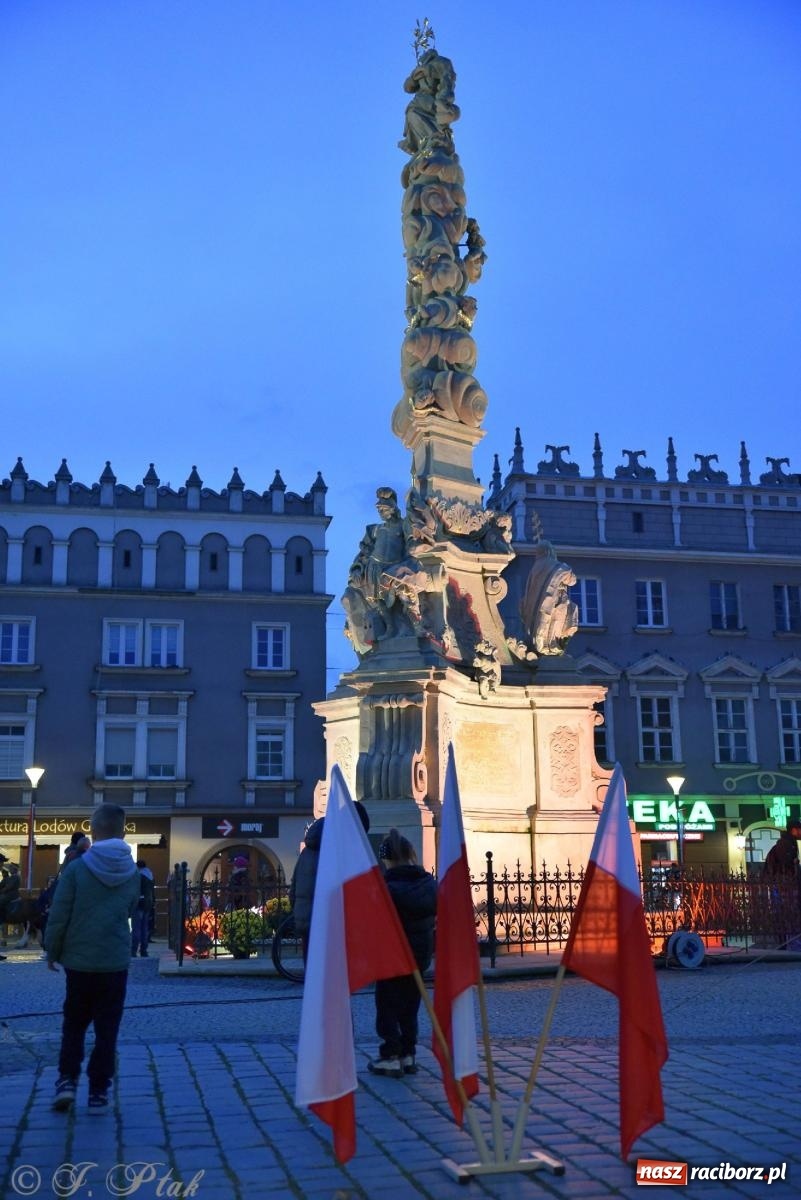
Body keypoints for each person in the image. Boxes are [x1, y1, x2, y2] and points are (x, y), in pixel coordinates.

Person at [44, 802, 140, 1113]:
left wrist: (52, 949)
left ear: (94, 830)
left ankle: (67, 1081)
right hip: (114, 960)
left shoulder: (75, 868)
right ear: (122, 830)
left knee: (74, 1023)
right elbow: (129, 910)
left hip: (79, 961)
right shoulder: (131, 872)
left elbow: (59, 914)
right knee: (107, 1028)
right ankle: (99, 1089)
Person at [368, 828, 436, 1078]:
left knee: (387, 1005)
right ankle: (408, 1053)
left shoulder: (386, 887)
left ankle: (390, 1055)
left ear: (387, 859)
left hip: (391, 956)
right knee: (410, 1006)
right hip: (419, 954)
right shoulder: (428, 884)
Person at [290, 801, 370, 963]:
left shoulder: (308, 851)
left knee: (314, 981)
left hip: (309, 925)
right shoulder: (344, 851)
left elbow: (294, 890)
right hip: (335, 929)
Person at [130, 859, 155, 957]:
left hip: (138, 903)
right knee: (145, 928)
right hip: (147, 904)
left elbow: (134, 890)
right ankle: (144, 950)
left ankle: (133, 950)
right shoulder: (150, 875)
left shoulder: (138, 876)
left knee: (136, 928)